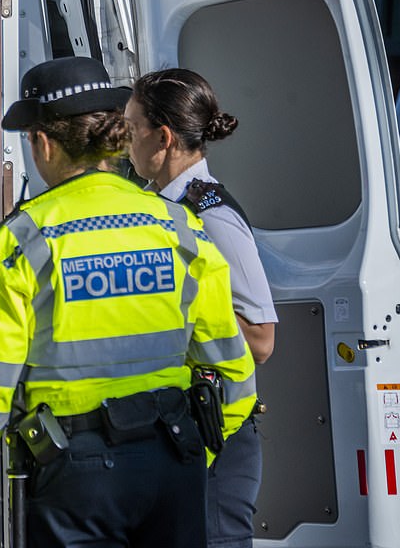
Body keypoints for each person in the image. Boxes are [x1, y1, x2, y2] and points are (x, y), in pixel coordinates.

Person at [0, 56, 257, 548]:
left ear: (41, 141)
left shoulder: (22, 242)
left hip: (76, 477)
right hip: (172, 460)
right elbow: (234, 371)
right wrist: (197, 455)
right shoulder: (179, 228)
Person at [126, 68, 277, 548]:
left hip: (217, 430)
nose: (124, 143)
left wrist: (173, 305)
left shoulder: (210, 214)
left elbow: (261, 339)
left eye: (131, 131)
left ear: (163, 137)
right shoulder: (151, 205)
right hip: (173, 427)